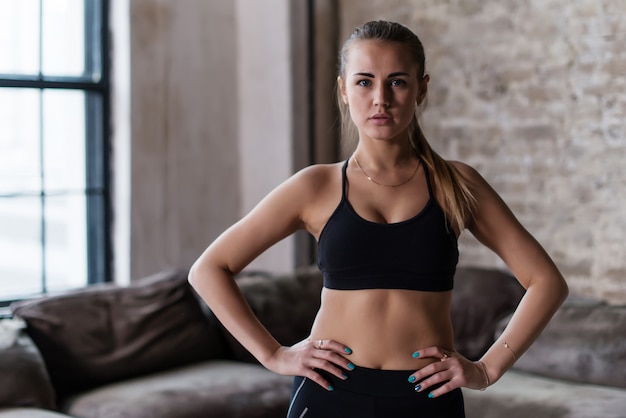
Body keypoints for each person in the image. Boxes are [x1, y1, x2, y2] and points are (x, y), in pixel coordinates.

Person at [188, 20, 568, 418]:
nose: (380, 99)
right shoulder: (315, 186)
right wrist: (273, 354)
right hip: (329, 392)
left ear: (421, 88)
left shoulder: (457, 184)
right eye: (365, 82)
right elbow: (209, 269)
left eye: (398, 82)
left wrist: (488, 368)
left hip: (426, 398)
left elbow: (546, 282)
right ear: (344, 90)